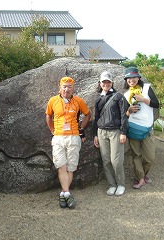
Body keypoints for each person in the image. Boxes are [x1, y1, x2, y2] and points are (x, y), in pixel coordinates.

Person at [45, 76, 91, 209]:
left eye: (69, 87)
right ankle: (67, 193)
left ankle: (64, 193)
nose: (67, 89)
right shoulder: (53, 100)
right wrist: (52, 130)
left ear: (73, 88)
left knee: (71, 167)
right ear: (60, 87)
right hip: (58, 137)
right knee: (61, 166)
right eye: (64, 86)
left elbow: (88, 114)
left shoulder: (78, 101)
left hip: (74, 137)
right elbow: (48, 116)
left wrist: (81, 128)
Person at [93, 71, 129, 196]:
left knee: (116, 160)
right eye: (104, 82)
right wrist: (95, 135)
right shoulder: (98, 98)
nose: (106, 84)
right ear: (100, 83)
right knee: (106, 160)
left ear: (112, 83)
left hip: (115, 132)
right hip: (101, 131)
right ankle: (112, 184)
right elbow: (96, 117)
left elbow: (124, 115)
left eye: (108, 82)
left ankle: (121, 184)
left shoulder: (118, 97)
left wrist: (123, 132)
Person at [123, 67, 160, 189]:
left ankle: (143, 174)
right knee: (136, 155)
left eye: (133, 77)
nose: (131, 80)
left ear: (138, 78)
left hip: (147, 128)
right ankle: (140, 178)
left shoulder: (147, 89)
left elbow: (156, 104)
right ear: (126, 80)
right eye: (128, 78)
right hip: (133, 127)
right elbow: (125, 114)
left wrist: (143, 99)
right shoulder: (126, 94)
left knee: (150, 157)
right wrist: (129, 110)